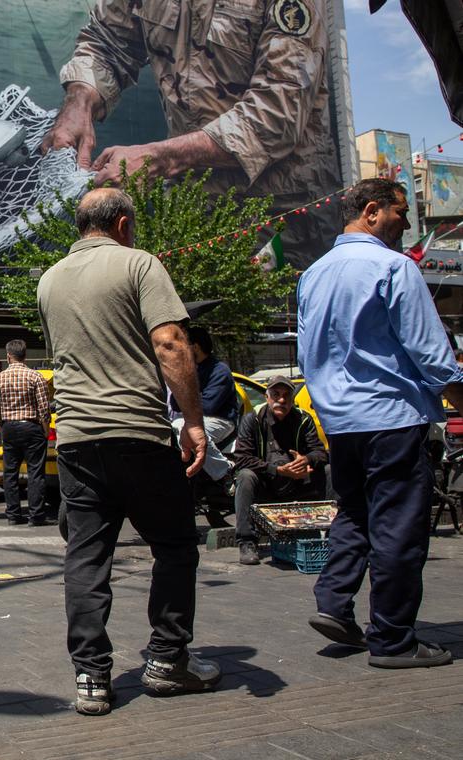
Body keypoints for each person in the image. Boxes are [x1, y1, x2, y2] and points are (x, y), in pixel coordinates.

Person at [38, 188, 218, 717]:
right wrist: (193, 421)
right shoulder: (139, 264)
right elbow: (170, 343)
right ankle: (166, 660)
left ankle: (92, 676)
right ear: (122, 224)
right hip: (136, 431)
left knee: (87, 557)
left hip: (75, 439)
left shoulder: (49, 279)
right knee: (176, 546)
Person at [297, 177, 463, 668]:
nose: (406, 224)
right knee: (397, 529)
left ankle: (334, 603)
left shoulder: (314, 273)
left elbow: (309, 354)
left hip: (341, 420)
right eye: (400, 213)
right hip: (391, 416)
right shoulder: (393, 267)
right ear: (372, 211)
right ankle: (392, 639)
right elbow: (431, 352)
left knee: (356, 513)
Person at [40, 0, 340, 265]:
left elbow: (278, 112)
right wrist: (79, 102)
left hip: (279, 215)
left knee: (268, 324)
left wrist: (160, 157)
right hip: (192, 207)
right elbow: (106, 42)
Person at [232, 375, 329, 566]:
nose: (281, 400)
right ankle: (246, 542)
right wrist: (277, 470)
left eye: (286, 396)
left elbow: (320, 452)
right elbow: (241, 458)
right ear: (267, 397)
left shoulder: (303, 419)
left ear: (292, 400)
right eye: (276, 395)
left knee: (329, 471)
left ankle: (336, 537)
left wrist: (306, 459)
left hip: (297, 483)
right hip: (267, 485)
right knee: (244, 476)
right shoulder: (252, 420)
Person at [0, 339, 52, 526]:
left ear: (8, 356)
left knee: (10, 473)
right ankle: (36, 515)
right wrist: (45, 430)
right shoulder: (36, 377)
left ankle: (13, 515)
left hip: (9, 427)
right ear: (25, 355)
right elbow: (44, 409)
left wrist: (1, 427)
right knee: (35, 472)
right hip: (31, 427)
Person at [168, 326, 235, 483]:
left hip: (221, 420)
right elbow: (175, 403)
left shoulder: (220, 370)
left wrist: (187, 398)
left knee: (183, 426)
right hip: (194, 417)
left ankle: (226, 471)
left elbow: (210, 405)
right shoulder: (190, 370)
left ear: (195, 346)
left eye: (184, 345)